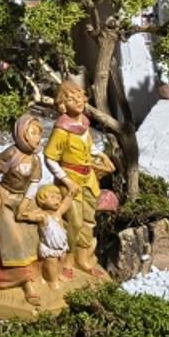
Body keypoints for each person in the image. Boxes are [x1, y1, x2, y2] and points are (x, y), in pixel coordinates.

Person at [0, 115, 53, 306]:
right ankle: (21, 281)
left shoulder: (35, 160)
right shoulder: (12, 153)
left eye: (39, 134)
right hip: (4, 200)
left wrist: (26, 202)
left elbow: (34, 183)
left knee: (33, 238)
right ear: (22, 135)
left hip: (23, 201)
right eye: (33, 133)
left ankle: (34, 276)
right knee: (13, 240)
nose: (38, 138)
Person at [40, 79, 114, 281]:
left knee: (89, 219)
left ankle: (83, 258)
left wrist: (101, 155)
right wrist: (66, 180)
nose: (79, 101)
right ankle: (67, 260)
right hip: (71, 181)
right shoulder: (62, 129)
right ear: (63, 105)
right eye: (72, 99)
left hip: (88, 178)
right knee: (73, 222)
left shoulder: (84, 123)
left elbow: (88, 146)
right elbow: (50, 158)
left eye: (80, 96)